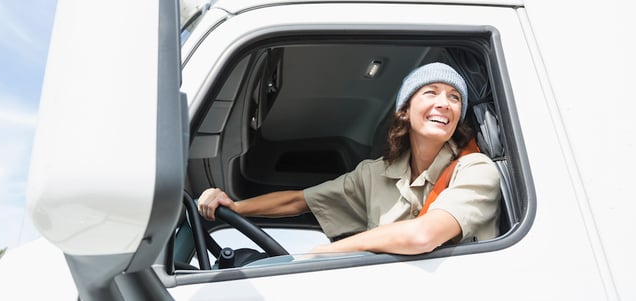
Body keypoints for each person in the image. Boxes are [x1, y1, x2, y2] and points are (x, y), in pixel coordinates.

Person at [197, 62, 501, 255]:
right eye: (431, 92)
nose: (443, 104)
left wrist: (325, 253)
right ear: (405, 111)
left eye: (454, 97)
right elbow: (299, 201)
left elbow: (423, 236)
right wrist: (235, 207)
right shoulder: (374, 174)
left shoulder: (476, 170)